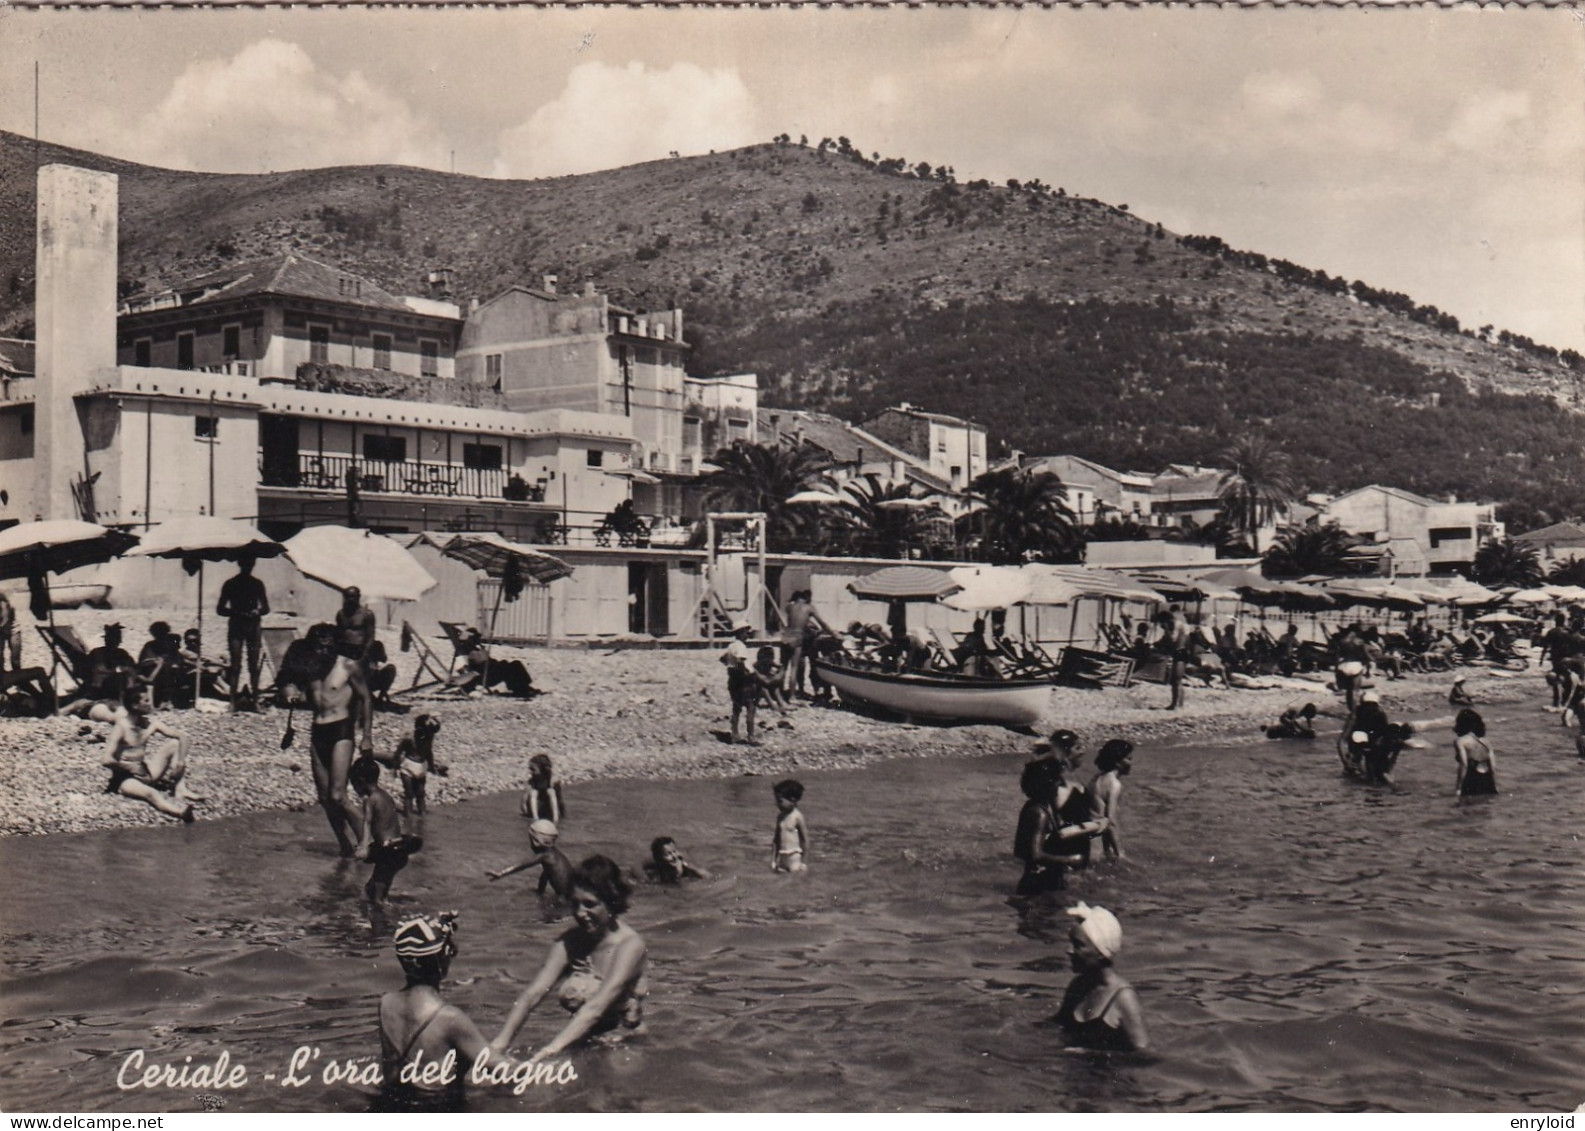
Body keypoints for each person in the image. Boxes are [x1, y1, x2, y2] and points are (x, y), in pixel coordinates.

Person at [493, 856, 649, 1063]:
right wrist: (499, 1045)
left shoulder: (630, 946)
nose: (580, 913)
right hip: (580, 1038)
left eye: (590, 904)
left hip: (625, 1043)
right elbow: (532, 995)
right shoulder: (570, 942)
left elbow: (597, 1007)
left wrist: (548, 1053)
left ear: (611, 902)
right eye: (575, 904)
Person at [378, 911, 520, 1110]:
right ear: (438, 961)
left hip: (393, 1105)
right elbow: (503, 1069)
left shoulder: (385, 1004)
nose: (452, 955)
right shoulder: (449, 1018)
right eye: (447, 951)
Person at [307, 626, 375, 856]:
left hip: (341, 729)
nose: (322, 649)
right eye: (318, 645)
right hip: (317, 731)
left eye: (327, 644)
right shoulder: (312, 668)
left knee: (338, 795)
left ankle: (368, 841)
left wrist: (367, 735)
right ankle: (345, 846)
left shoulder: (348, 666)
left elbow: (366, 698)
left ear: (335, 644)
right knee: (325, 798)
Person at [1053, 903, 1150, 1053]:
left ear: (1100, 951)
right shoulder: (1077, 986)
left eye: (1078, 945)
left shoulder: (1124, 997)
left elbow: (1146, 1057)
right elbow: (1055, 1025)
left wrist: (1089, 1053)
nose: (1069, 951)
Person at [102, 682, 199, 822]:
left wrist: (181, 761)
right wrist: (128, 767)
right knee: (151, 793)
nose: (151, 704)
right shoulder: (121, 727)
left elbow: (183, 737)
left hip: (146, 772)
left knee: (174, 744)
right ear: (135, 705)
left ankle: (180, 788)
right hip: (126, 779)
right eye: (146, 701)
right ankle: (181, 813)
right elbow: (106, 759)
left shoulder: (150, 723)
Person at [1012, 757, 1106, 895]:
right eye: (1057, 782)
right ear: (1047, 784)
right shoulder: (1040, 813)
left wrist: (1092, 829)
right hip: (1039, 885)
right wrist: (1070, 860)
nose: (1060, 786)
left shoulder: (1038, 807)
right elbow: (1035, 854)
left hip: (1041, 880)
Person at [352, 755, 421, 905]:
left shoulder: (370, 799)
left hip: (388, 851)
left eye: (354, 784)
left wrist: (363, 846)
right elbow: (397, 813)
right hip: (399, 848)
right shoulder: (385, 795)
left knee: (377, 892)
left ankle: (381, 915)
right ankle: (383, 905)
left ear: (361, 781)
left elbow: (367, 822)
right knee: (378, 884)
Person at [217, 556, 269, 711]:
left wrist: (256, 611)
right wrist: (236, 612)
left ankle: (254, 701)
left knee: (253, 664)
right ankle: (232, 701)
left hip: (253, 625)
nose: (248, 567)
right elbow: (220, 609)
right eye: (246, 563)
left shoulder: (257, 584)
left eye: (250, 564)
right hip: (237, 625)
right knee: (236, 664)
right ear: (240, 563)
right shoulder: (231, 584)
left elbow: (266, 608)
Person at [487, 818, 574, 898]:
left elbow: (523, 865)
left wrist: (501, 873)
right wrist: (540, 892)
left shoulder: (545, 855)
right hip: (571, 892)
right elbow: (546, 875)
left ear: (536, 840)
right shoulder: (554, 855)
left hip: (566, 897)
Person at [452, 628, 536, 699]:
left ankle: (524, 687)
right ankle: (520, 690)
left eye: (477, 638)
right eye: (475, 638)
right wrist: (468, 684)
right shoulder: (463, 650)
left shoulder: (477, 647)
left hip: (491, 670)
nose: (478, 639)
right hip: (485, 675)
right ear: (468, 638)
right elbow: (462, 668)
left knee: (515, 664)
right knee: (508, 668)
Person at [1089, 740, 1134, 860]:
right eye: (1129, 759)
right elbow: (1111, 821)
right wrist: (1120, 853)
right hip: (1099, 846)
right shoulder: (1114, 784)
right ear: (1117, 762)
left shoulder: (1095, 779)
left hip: (1089, 840)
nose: (1131, 763)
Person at [395, 714, 448, 817]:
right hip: (408, 766)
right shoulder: (409, 739)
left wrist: (432, 767)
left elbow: (429, 752)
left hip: (421, 766)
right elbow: (398, 753)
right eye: (427, 733)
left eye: (430, 734)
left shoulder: (429, 738)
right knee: (409, 793)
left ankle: (422, 815)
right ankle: (408, 816)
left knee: (420, 793)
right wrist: (395, 767)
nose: (429, 736)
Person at [780, 590, 825, 698]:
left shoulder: (789, 607)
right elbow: (822, 623)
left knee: (783, 668)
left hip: (786, 637)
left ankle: (780, 693)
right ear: (807, 599)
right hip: (798, 638)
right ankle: (792, 696)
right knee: (794, 668)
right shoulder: (809, 607)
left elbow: (791, 621)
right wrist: (834, 633)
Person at [720, 621, 758, 745]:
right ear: (741, 633)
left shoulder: (731, 646)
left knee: (736, 708)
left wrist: (731, 666)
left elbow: (722, 658)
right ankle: (751, 736)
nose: (748, 635)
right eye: (746, 632)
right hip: (743, 680)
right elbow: (742, 662)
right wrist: (746, 674)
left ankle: (734, 734)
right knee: (750, 707)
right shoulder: (741, 646)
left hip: (733, 679)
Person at [136, 621, 186, 709]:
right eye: (158, 634)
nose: (161, 636)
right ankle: (164, 700)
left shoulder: (169, 645)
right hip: (150, 673)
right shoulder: (150, 646)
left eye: (163, 633)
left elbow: (177, 658)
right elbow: (143, 662)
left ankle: (168, 700)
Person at [1452, 708, 1497, 799]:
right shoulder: (1486, 742)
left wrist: (1458, 787)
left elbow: (1464, 764)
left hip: (1471, 779)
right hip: (1487, 780)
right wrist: (1494, 786)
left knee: (1465, 808)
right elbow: (1493, 767)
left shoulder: (1461, 741)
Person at [335, 585, 378, 670]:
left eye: (353, 596)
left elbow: (370, 636)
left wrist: (364, 655)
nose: (350, 599)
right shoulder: (341, 614)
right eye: (348, 596)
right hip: (343, 649)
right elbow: (338, 632)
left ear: (358, 597)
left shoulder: (367, 614)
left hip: (358, 650)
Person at [771, 779, 809, 873]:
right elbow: (776, 840)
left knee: (794, 882)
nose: (777, 804)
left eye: (780, 801)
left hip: (794, 856)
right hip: (782, 856)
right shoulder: (780, 817)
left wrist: (804, 863)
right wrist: (774, 860)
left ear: (792, 799)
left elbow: (805, 840)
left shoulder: (797, 817)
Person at [643, 836, 712, 883]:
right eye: (668, 854)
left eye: (675, 851)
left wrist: (691, 867)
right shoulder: (659, 872)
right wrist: (679, 870)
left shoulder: (683, 863)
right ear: (659, 858)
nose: (674, 856)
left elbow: (707, 875)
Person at [520, 753, 565, 823]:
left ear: (543, 770)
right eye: (530, 769)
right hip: (537, 809)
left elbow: (559, 799)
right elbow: (524, 801)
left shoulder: (552, 780)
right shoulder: (532, 782)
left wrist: (561, 814)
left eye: (533, 769)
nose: (530, 772)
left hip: (549, 808)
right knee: (533, 792)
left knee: (551, 792)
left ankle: (555, 819)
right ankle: (535, 818)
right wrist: (526, 813)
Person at [753, 645, 791, 717]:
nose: (769, 661)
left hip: (764, 682)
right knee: (763, 688)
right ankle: (772, 704)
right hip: (754, 690)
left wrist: (777, 674)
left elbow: (782, 667)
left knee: (775, 687)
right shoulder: (755, 667)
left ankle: (781, 703)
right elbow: (765, 681)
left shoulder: (770, 663)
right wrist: (775, 677)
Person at [0, 590, 24, 677]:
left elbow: (5, 617)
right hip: (1, 630)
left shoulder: (2, 600)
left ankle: (20, 681)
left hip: (13, 629)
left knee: (15, 659)